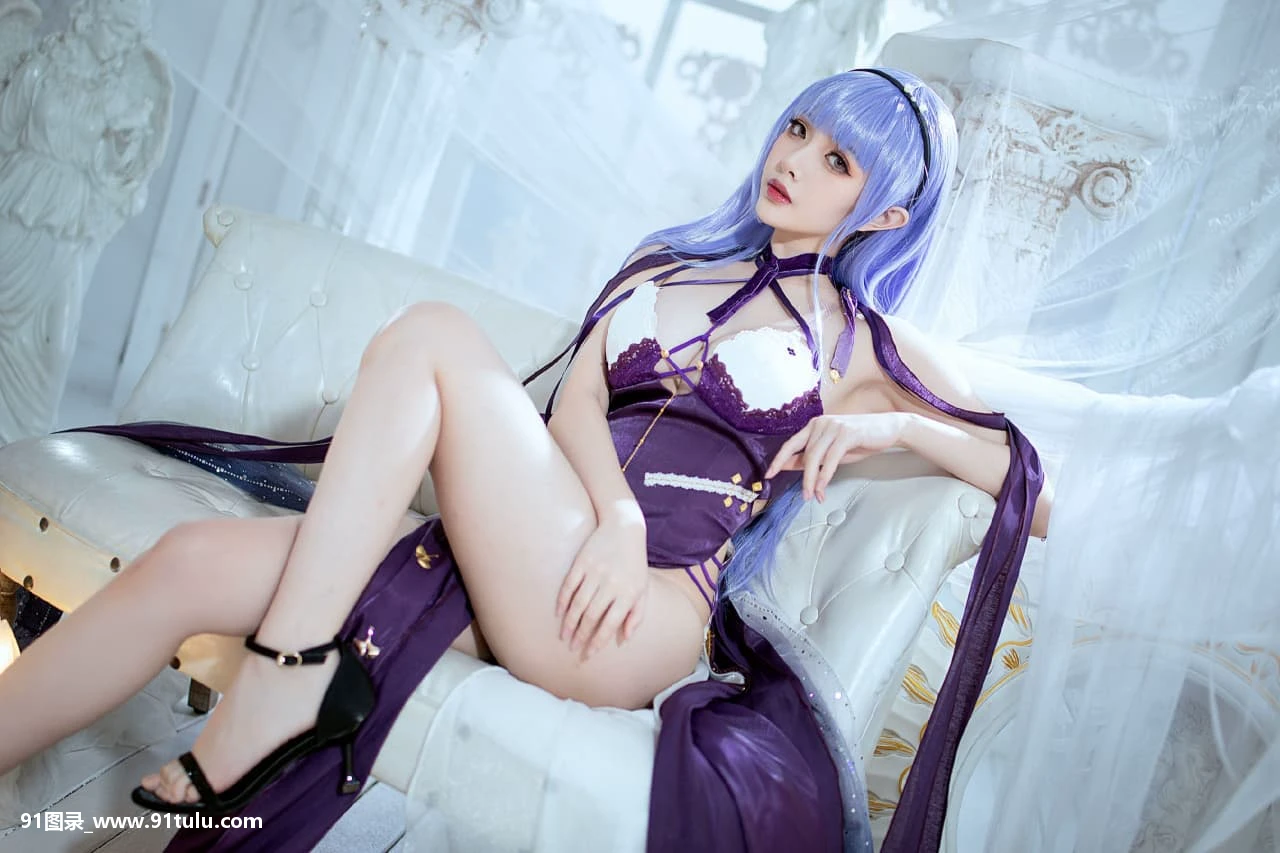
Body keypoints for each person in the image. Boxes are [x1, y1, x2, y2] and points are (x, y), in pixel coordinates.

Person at [0, 67, 1046, 852]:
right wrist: (612, 514)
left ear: (885, 214)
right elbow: (578, 402)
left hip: (631, 613)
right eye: (800, 128)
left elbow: (1033, 497)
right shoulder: (669, 258)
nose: (796, 159)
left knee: (432, 333)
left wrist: (894, 428)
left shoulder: (859, 344)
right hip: (546, 547)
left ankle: (282, 686)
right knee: (189, 558)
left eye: (837, 162)